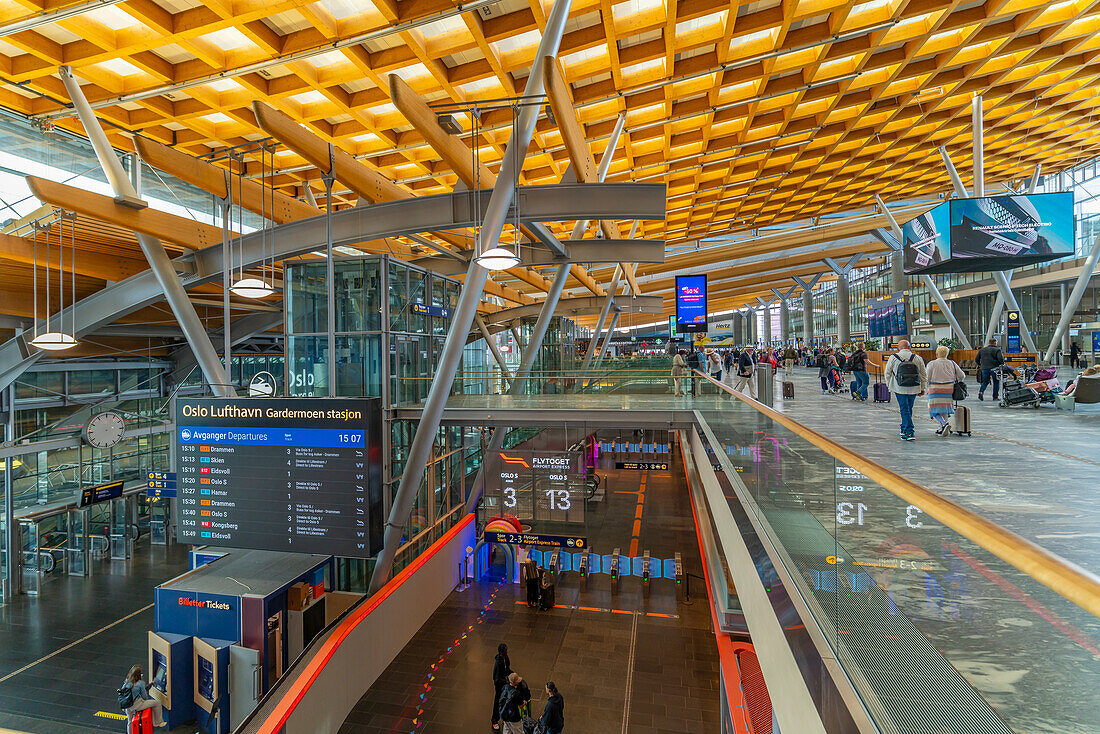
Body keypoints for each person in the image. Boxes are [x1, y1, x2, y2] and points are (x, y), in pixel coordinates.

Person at [884, 339, 927, 441]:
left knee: (904, 409)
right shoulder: (917, 358)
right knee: (908, 408)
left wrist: (889, 385)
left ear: (898, 348)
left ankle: (909, 432)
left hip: (899, 388)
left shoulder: (893, 358)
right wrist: (922, 387)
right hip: (914, 387)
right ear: (909, 347)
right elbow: (923, 374)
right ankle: (904, 428)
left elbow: (887, 373)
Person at [925, 345, 966, 434]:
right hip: (949, 388)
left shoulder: (932, 363)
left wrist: (926, 386)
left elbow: (927, 377)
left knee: (932, 408)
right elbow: (962, 376)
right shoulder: (952, 363)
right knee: (945, 408)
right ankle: (942, 429)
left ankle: (943, 424)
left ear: (936, 354)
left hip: (935, 388)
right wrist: (957, 381)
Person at [491, 643, 513, 730]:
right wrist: (506, 682)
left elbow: (507, 669)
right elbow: (496, 679)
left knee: (507, 700)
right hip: (500, 686)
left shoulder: (506, 658)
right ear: (501, 652)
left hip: (505, 683)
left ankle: (506, 716)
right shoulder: (498, 663)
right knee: (498, 701)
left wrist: (512, 675)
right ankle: (494, 720)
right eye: (505, 650)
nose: (507, 651)